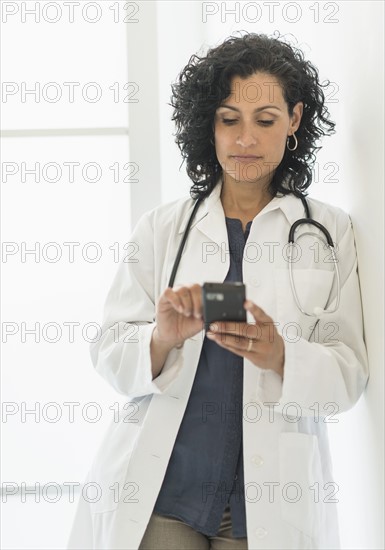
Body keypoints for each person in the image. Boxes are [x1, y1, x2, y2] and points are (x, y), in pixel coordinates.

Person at [67, 32, 368, 550]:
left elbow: (349, 373)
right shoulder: (163, 229)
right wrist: (159, 340)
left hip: (267, 500)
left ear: (294, 120)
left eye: (265, 120)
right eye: (229, 120)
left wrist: (282, 357)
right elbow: (110, 351)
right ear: (208, 124)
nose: (245, 139)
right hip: (165, 490)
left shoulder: (330, 233)